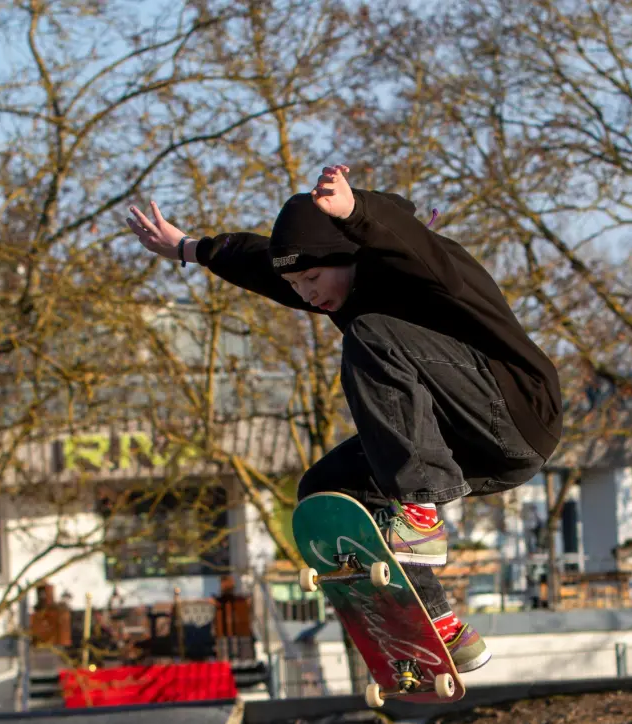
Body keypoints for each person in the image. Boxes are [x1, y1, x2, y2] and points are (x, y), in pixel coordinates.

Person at [126, 165, 563, 672]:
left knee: (370, 335)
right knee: (327, 491)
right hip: (473, 450)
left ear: (349, 251)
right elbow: (257, 260)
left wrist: (356, 212)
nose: (307, 295)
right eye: (296, 285)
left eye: (312, 279)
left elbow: (411, 246)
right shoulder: (333, 283)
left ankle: (419, 513)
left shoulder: (417, 262)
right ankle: (440, 627)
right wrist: (189, 248)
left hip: (516, 412)